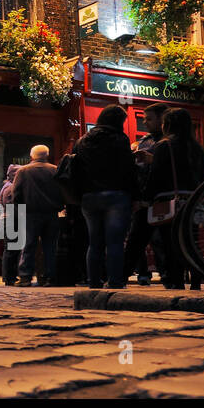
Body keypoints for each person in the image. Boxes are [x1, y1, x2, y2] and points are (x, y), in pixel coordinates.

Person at [69, 104, 138, 289]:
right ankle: (115, 281)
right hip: (116, 195)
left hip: (90, 197)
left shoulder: (83, 140)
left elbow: (75, 169)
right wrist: (136, 195)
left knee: (94, 242)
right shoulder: (120, 139)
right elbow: (128, 169)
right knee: (114, 242)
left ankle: (94, 281)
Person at [144, 108, 204, 290]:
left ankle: (176, 281)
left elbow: (155, 176)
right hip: (193, 201)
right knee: (192, 243)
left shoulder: (164, 146)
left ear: (168, 125)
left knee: (170, 244)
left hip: (169, 201)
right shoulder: (197, 148)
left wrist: (146, 198)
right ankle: (196, 280)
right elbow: (203, 176)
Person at [125, 102, 168, 285]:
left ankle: (168, 276)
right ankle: (124, 275)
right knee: (136, 240)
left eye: (149, 119)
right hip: (144, 198)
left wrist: (153, 160)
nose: (145, 122)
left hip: (163, 198)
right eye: (144, 118)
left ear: (162, 119)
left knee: (162, 242)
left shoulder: (169, 140)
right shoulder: (145, 141)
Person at [12, 145, 62, 287]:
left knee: (28, 245)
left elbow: (15, 194)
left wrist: (22, 208)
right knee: (50, 246)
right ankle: (50, 277)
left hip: (31, 213)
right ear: (47, 155)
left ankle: (25, 277)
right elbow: (61, 191)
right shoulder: (54, 169)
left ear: (32, 156)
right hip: (51, 213)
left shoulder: (23, 171)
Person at [0, 164, 20, 284]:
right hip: (11, 219)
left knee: (12, 249)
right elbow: (10, 206)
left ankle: (9, 276)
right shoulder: (10, 187)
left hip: (10, 218)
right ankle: (9, 277)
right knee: (11, 249)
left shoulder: (9, 186)